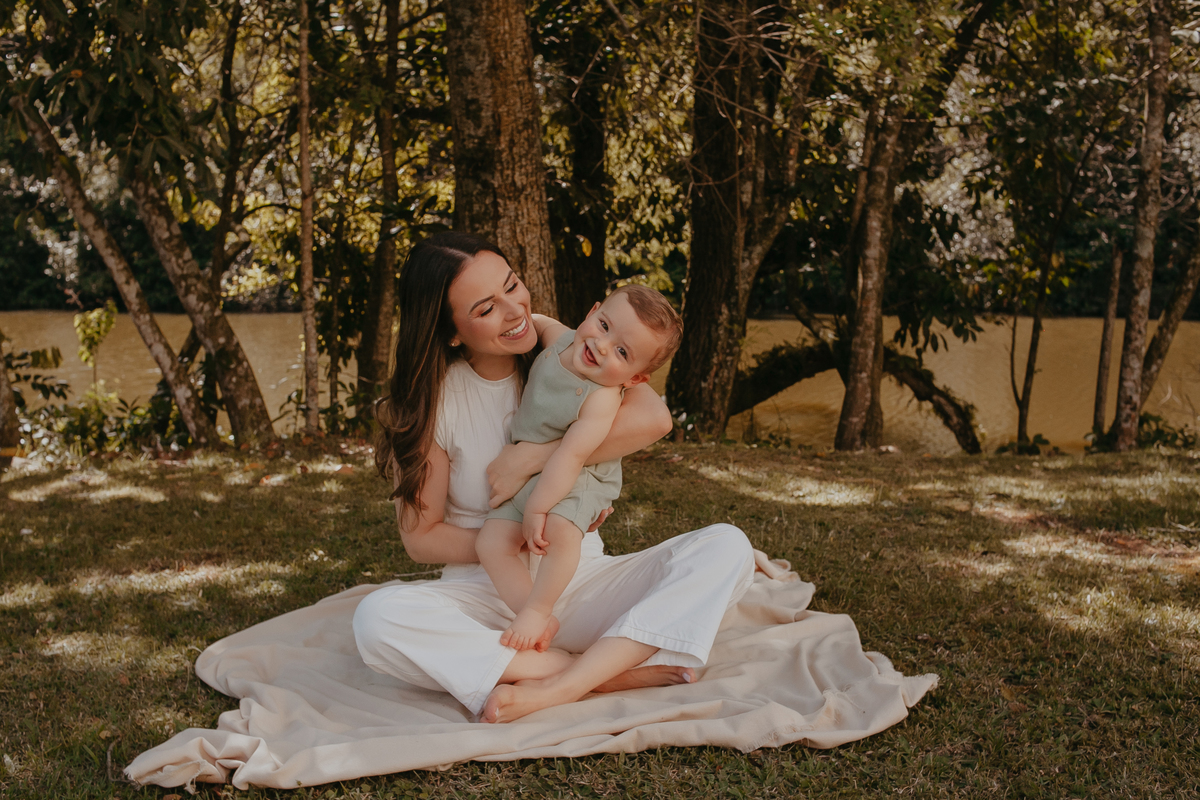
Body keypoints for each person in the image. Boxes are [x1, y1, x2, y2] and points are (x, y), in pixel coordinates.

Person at [351, 232, 755, 724]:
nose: (514, 309)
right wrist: (517, 537)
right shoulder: (432, 403)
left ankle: (556, 683)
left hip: (582, 578)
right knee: (378, 619)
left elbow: (655, 417)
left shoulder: (568, 355)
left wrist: (532, 459)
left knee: (727, 548)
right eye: (485, 309)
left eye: (512, 285)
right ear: (450, 329)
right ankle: (594, 671)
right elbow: (422, 540)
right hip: (486, 592)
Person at [476, 286, 684, 651]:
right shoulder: (561, 339)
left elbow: (571, 456)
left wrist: (538, 508)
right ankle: (538, 614)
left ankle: (538, 611)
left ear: (634, 379)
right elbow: (535, 324)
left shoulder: (601, 398)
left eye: (622, 352)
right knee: (491, 543)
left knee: (559, 531)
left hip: (580, 474)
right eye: (604, 325)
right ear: (592, 310)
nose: (602, 345)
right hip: (536, 472)